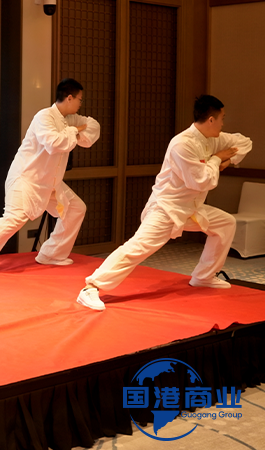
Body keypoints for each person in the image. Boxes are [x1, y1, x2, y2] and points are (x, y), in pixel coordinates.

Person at [77, 95, 252, 311]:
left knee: (225, 223)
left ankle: (204, 276)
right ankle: (91, 287)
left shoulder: (214, 139)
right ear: (211, 120)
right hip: (167, 208)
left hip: (191, 208)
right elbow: (201, 181)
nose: (224, 123)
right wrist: (216, 159)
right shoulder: (182, 144)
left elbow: (244, 142)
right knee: (138, 247)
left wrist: (227, 160)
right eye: (222, 118)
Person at [0, 78, 100, 281]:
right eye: (80, 99)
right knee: (13, 219)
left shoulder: (69, 119)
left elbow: (93, 127)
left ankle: (51, 254)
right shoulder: (45, 116)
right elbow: (54, 143)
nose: (80, 104)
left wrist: (72, 132)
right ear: (69, 98)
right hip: (26, 179)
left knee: (76, 208)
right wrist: (75, 131)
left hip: (49, 182)